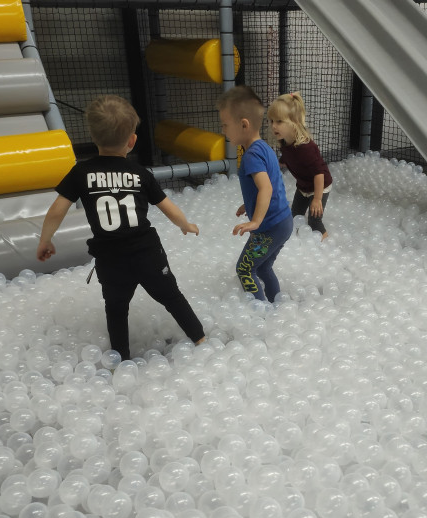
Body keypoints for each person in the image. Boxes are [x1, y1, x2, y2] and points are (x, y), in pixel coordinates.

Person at [36, 95, 205, 360]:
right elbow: (167, 206)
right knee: (172, 297)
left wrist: (45, 240)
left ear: (93, 137)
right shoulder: (140, 174)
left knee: (116, 309)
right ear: (132, 140)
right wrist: (185, 225)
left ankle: (120, 359)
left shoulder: (81, 173)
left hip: (110, 258)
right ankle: (200, 339)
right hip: (147, 253)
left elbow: (57, 209)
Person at [217, 85, 293, 303]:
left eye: (225, 125)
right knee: (263, 267)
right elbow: (268, 186)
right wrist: (248, 204)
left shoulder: (251, 156)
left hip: (269, 227)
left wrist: (255, 221)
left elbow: (266, 188)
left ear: (244, 125)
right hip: (282, 222)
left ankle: (261, 314)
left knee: (244, 269)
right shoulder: (264, 148)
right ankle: (276, 305)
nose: (223, 130)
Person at [267, 92, 332, 240]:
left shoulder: (306, 147)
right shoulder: (285, 142)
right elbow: (287, 159)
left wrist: (317, 199)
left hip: (320, 186)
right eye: (271, 121)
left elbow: (319, 174)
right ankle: (298, 241)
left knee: (314, 221)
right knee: (295, 216)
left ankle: (325, 244)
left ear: (294, 122)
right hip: (303, 187)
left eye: (279, 121)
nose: (274, 126)